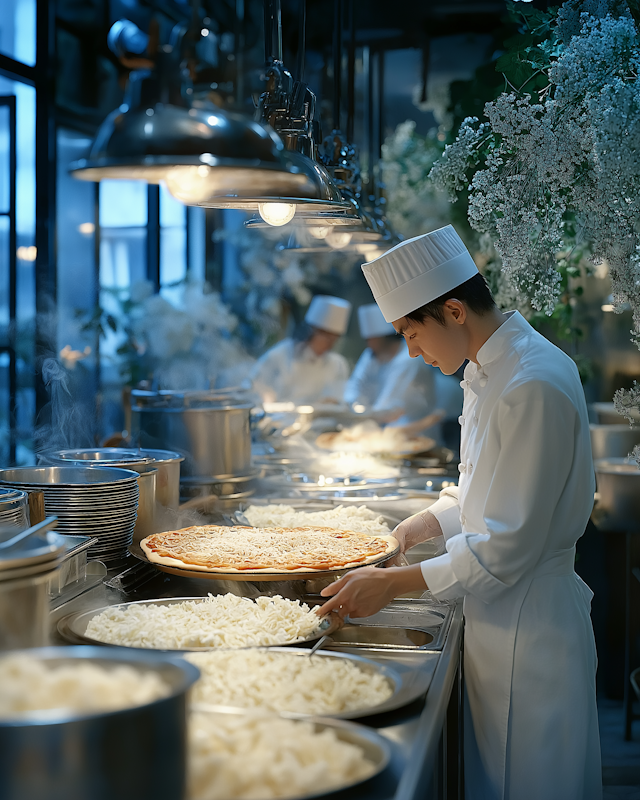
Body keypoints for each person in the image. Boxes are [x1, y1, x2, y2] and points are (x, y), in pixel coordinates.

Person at [320, 225, 601, 800]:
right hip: (497, 619)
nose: (411, 351)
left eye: (410, 332)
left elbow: (506, 545)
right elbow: (481, 489)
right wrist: (427, 522)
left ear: (453, 310)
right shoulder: (486, 370)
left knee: (531, 783)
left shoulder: (533, 383)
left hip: (531, 629)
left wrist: (394, 584)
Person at [344, 303, 463, 441]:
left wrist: (359, 418)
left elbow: (388, 407)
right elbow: (356, 384)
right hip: (386, 429)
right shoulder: (371, 353)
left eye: (370, 339)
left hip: (415, 431)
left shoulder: (408, 360)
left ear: (383, 337)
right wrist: (352, 405)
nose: (368, 343)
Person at [249, 295, 351, 405]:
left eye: (334, 340)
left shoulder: (338, 365)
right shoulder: (280, 354)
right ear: (311, 331)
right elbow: (250, 387)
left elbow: (339, 399)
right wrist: (263, 395)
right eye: (327, 338)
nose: (329, 345)